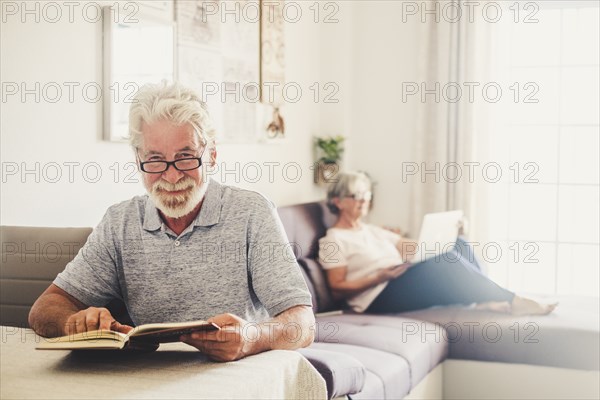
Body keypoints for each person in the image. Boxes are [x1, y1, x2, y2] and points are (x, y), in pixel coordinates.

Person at [28, 82, 315, 361]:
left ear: (212, 155)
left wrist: (251, 338)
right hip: (150, 379)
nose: (173, 176)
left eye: (186, 157)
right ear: (138, 160)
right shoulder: (120, 222)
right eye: (155, 160)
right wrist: (75, 324)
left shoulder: (252, 212)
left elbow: (303, 324)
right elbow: (44, 309)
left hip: (238, 375)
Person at [318, 171, 557, 316]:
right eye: (356, 195)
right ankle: (512, 300)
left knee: (459, 245)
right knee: (445, 263)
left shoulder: (373, 231)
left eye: (366, 194)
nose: (363, 200)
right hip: (377, 296)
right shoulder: (333, 239)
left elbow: (411, 247)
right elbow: (338, 287)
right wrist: (379, 277)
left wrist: (447, 235)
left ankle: (487, 298)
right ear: (337, 201)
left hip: (397, 279)